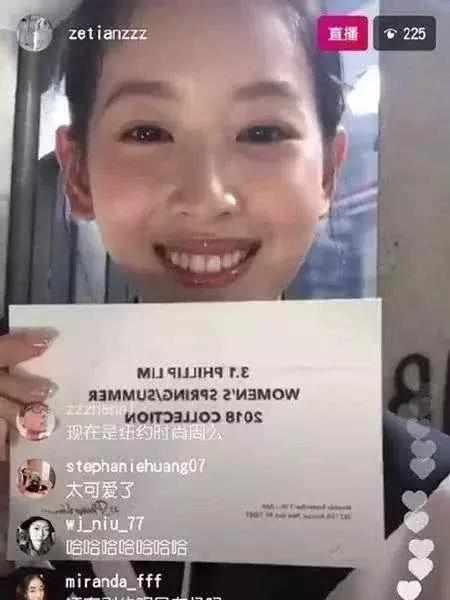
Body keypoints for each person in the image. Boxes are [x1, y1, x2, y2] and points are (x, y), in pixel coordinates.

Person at [0, 0, 450, 598]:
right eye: (147, 132)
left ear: (327, 173)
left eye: (263, 132)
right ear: (78, 173)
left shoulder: (432, 502)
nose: (207, 196)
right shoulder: (24, 475)